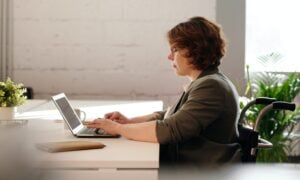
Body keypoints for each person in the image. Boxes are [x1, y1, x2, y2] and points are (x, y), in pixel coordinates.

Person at [87, 16, 241, 166]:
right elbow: (170, 115)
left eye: (175, 49)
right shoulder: (207, 81)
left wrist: (118, 128)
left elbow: (170, 130)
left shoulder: (211, 86)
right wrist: (129, 122)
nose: (169, 56)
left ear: (195, 49)